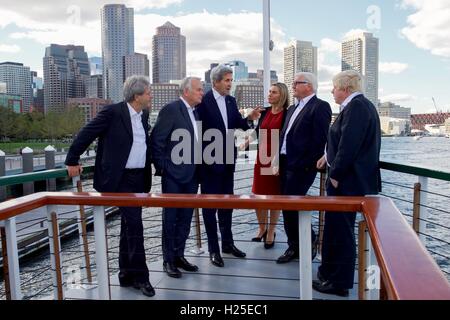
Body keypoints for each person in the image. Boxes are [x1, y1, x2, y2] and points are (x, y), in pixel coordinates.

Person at [64, 76, 155, 297]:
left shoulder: (143, 115)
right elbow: (87, 132)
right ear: (137, 95)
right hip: (119, 179)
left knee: (128, 225)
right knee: (135, 226)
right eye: (148, 92)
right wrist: (72, 159)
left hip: (138, 178)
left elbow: (142, 144)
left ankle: (125, 274)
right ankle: (141, 277)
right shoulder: (113, 112)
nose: (151, 95)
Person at [313, 70, 381, 297]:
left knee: (341, 232)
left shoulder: (358, 108)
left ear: (345, 88)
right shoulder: (356, 107)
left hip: (346, 182)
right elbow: (340, 141)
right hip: (346, 180)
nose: (332, 91)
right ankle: (329, 274)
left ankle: (339, 283)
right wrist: (327, 157)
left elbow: (349, 145)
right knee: (335, 229)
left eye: (334, 87)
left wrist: (336, 174)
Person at [196, 64, 262, 267]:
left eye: (231, 80)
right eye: (227, 80)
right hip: (209, 164)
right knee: (210, 208)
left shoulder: (231, 101)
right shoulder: (203, 102)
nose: (230, 84)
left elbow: (237, 125)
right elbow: (196, 133)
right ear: (215, 82)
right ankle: (213, 250)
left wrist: (249, 119)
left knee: (227, 205)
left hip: (228, 162)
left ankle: (227, 244)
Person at [150, 77, 203, 278]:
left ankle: (179, 255)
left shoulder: (195, 113)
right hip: (173, 176)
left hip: (192, 176)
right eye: (198, 90)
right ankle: (168, 260)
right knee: (170, 219)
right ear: (186, 91)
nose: (201, 93)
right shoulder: (171, 109)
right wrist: (164, 169)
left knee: (185, 218)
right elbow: (157, 140)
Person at [276, 72, 332, 264]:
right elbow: (284, 135)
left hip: (301, 167)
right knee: (286, 207)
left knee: (292, 206)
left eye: (296, 83)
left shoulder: (320, 107)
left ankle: (307, 241)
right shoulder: (292, 108)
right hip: (284, 163)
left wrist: (307, 164)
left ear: (309, 86)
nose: (292, 86)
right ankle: (295, 246)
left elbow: (320, 139)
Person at [241, 83, 289, 249]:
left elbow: (286, 137)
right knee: (258, 195)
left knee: (274, 197)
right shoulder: (265, 111)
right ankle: (262, 228)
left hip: (275, 159)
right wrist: (247, 141)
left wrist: (278, 162)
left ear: (281, 95)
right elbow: (258, 131)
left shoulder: (287, 113)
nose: (269, 94)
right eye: (269, 91)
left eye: (273, 92)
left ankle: (271, 230)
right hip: (261, 158)